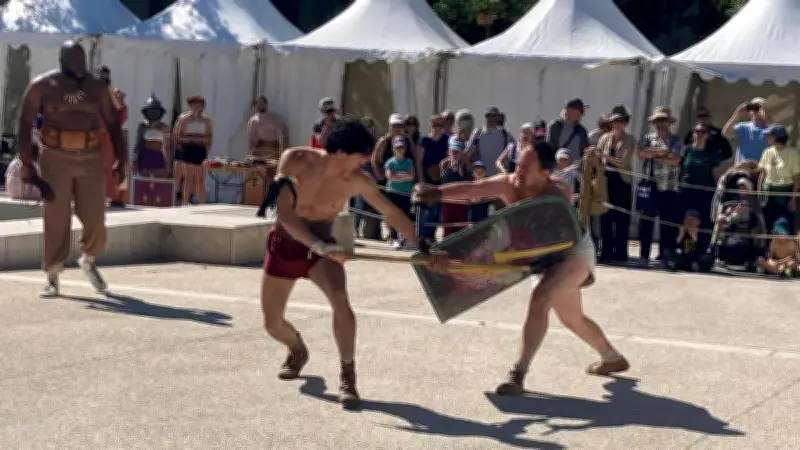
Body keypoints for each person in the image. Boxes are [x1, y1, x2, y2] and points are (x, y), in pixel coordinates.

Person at [414, 141, 629, 395]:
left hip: (571, 250)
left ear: (545, 173)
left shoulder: (558, 192)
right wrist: (435, 192)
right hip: (539, 254)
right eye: (517, 166)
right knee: (572, 319)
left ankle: (518, 372)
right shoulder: (509, 183)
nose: (518, 174)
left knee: (540, 299)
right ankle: (612, 357)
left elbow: (547, 237)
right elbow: (474, 188)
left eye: (526, 169)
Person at [259, 118, 434, 409]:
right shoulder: (295, 159)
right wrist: (320, 247)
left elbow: (390, 211)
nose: (366, 160)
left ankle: (347, 374)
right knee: (272, 323)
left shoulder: (357, 180)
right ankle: (296, 348)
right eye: (362, 154)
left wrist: (421, 243)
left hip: (322, 244)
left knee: (341, 300)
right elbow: (286, 216)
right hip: (286, 242)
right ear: (341, 153)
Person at [16, 40, 127, 297]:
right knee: (56, 217)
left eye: (83, 61)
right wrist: (26, 162)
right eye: (74, 61)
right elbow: (24, 123)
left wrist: (121, 160)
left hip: (90, 158)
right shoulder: (43, 86)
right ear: (62, 61)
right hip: (55, 158)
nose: (80, 66)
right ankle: (52, 275)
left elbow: (113, 124)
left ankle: (88, 259)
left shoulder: (97, 88)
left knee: (96, 218)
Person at [636, 106, 683, 262]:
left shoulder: (676, 139)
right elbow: (641, 153)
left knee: (667, 223)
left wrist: (654, 155)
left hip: (669, 186)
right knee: (646, 221)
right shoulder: (647, 137)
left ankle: (665, 255)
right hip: (650, 185)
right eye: (658, 121)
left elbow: (676, 160)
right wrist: (663, 153)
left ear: (669, 123)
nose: (661, 124)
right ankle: (644, 255)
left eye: (663, 121)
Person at [595, 110, 635, 263]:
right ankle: (606, 252)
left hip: (622, 181)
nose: (616, 124)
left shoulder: (629, 139)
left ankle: (620, 253)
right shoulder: (604, 138)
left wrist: (604, 157)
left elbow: (623, 162)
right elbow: (598, 157)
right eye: (614, 121)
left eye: (620, 121)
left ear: (625, 123)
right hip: (606, 181)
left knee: (622, 218)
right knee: (605, 216)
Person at [679, 122, 722, 234]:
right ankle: (687, 247)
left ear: (707, 135)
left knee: (704, 220)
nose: (699, 134)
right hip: (687, 189)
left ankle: (701, 248)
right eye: (697, 131)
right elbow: (680, 169)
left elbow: (715, 174)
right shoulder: (686, 150)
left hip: (705, 190)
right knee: (687, 219)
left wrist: (719, 191)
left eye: (702, 132)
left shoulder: (711, 153)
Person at [757, 124, 800, 233]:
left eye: (769, 135)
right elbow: (762, 174)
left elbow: (796, 178)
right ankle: (768, 248)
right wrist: (759, 192)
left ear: (777, 137)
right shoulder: (767, 152)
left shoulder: (793, 153)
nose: (767, 138)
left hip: (785, 192)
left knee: (786, 222)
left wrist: (793, 198)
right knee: (768, 222)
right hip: (769, 191)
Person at [173, 95, 212, 205]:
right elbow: (178, 136)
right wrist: (192, 139)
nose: (196, 108)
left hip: (200, 149)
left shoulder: (206, 120)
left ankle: (202, 204)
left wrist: (204, 144)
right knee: (188, 178)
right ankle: (185, 202)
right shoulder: (184, 119)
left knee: (200, 179)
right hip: (188, 148)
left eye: (199, 105)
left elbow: (209, 136)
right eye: (194, 105)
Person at [416, 114, 449, 241]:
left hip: (440, 178)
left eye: (440, 125)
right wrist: (421, 180)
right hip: (426, 176)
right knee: (425, 209)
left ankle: (431, 235)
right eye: (435, 125)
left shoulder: (446, 140)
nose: (437, 128)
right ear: (430, 125)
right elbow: (418, 162)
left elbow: (448, 157)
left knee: (436, 209)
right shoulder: (424, 141)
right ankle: (422, 236)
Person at [384, 136, 416, 249]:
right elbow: (389, 177)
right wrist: (404, 176)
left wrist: (398, 176)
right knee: (391, 215)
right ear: (393, 149)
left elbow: (411, 176)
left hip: (405, 193)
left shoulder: (409, 162)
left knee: (405, 216)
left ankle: (403, 237)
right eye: (397, 147)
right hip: (392, 192)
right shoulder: (390, 162)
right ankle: (393, 237)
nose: (400, 149)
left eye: (402, 147)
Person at [439, 136, 473, 237]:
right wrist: (450, 161)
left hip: (460, 201)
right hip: (448, 200)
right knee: (448, 223)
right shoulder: (445, 166)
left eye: (457, 152)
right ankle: (446, 243)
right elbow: (444, 179)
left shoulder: (465, 169)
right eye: (453, 151)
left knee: (460, 223)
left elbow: (469, 179)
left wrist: (463, 165)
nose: (454, 154)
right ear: (449, 152)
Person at [132, 94, 171, 178]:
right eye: (151, 110)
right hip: (145, 158)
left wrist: (168, 164)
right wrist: (134, 159)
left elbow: (168, 147)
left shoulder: (165, 127)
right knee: (144, 184)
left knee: (159, 184)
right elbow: (138, 144)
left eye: (155, 111)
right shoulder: (142, 126)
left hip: (159, 159)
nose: (153, 113)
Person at [723, 97, 769, 163]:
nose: (756, 110)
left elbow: (778, 139)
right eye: (754, 107)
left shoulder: (769, 129)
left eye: (759, 108)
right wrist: (737, 114)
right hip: (743, 168)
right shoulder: (743, 127)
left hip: (761, 168)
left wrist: (766, 116)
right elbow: (726, 133)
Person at [546, 98, 590, 163]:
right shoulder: (555, 126)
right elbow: (549, 148)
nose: (582, 115)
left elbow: (585, 150)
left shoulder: (582, 130)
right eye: (580, 111)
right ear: (569, 111)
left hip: (576, 169)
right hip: (558, 167)